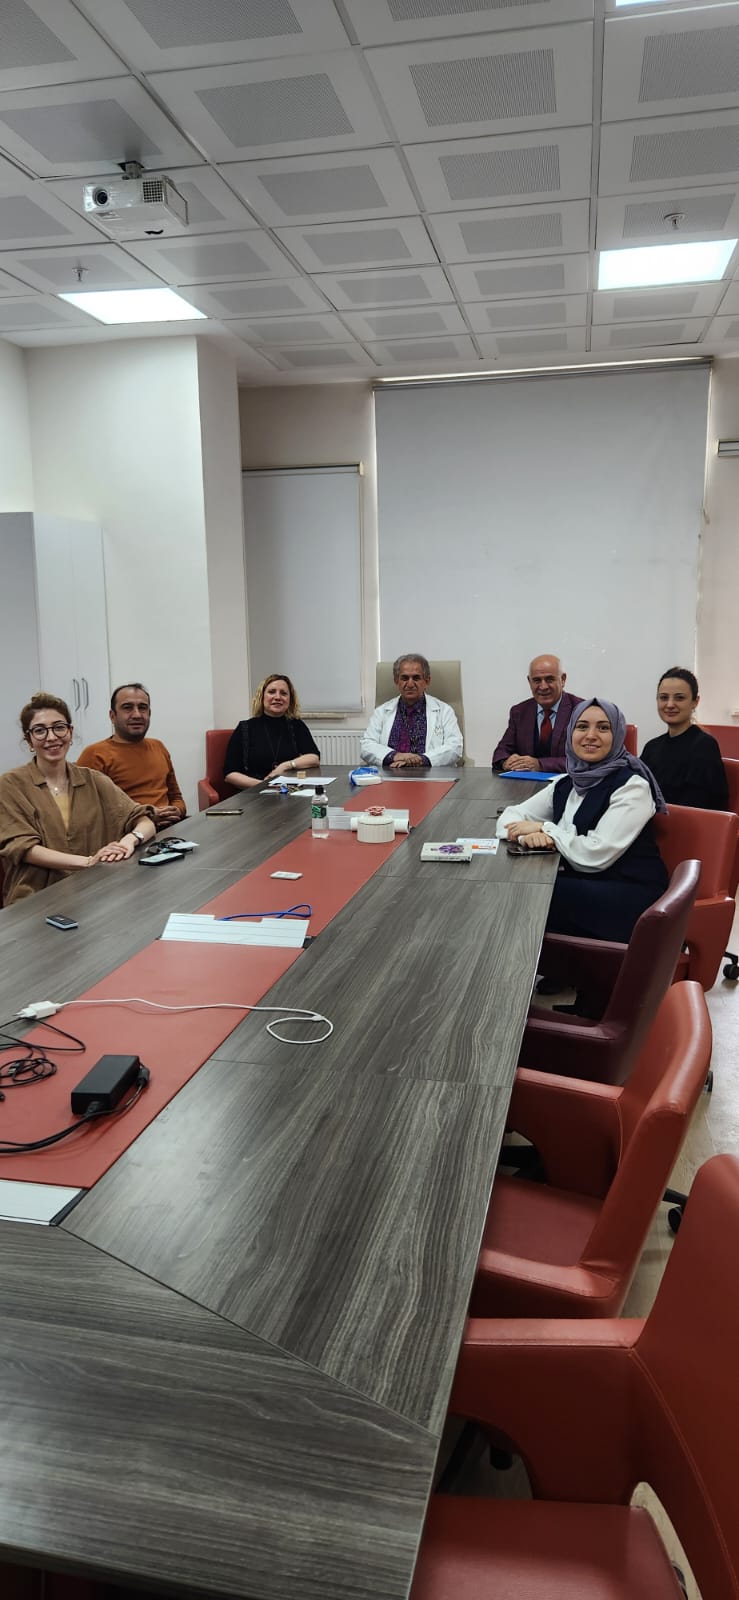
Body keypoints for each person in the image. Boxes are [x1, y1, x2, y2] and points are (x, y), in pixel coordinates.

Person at [496, 697, 668, 943]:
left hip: (630, 894)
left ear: (617, 735)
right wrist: (527, 836)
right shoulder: (567, 782)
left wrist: (546, 830)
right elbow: (511, 815)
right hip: (586, 881)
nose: (591, 735)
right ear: (571, 733)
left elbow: (595, 854)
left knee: (531, 892)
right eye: (582, 726)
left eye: (603, 728)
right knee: (521, 884)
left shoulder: (633, 787)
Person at [0, 692, 156, 905]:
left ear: (70, 732)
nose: (52, 737)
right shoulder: (10, 784)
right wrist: (89, 862)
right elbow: (24, 848)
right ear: (29, 740)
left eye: (59, 727)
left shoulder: (93, 779)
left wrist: (128, 842)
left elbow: (144, 820)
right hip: (35, 899)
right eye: (40, 730)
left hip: (94, 892)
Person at [78, 682, 186, 827]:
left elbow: (176, 798)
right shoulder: (94, 754)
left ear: (149, 713)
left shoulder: (158, 746)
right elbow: (87, 813)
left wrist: (177, 811)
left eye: (142, 708)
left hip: (170, 829)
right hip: (128, 835)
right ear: (112, 716)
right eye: (127, 708)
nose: (137, 715)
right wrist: (144, 817)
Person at [641, 667, 729, 811]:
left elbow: (697, 807)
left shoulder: (704, 746)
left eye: (679, 698)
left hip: (683, 823)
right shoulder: (651, 747)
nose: (670, 705)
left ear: (695, 701)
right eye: (663, 697)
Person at [360, 654, 463, 769]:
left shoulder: (444, 711)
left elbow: (455, 747)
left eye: (416, 678)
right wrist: (395, 756)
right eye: (404, 678)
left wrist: (421, 760)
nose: (410, 684)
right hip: (390, 774)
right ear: (396, 681)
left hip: (430, 774)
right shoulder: (381, 712)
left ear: (427, 681)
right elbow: (366, 745)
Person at [224, 674, 320, 789]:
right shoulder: (245, 728)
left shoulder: (296, 725)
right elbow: (230, 774)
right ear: (262, 697)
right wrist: (264, 785)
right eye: (271, 692)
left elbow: (314, 758)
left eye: (283, 693)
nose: (277, 697)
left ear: (290, 700)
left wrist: (286, 765)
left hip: (289, 790)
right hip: (254, 792)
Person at [492, 654, 582, 773]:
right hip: (525, 783)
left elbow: (582, 760)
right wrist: (506, 762)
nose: (543, 686)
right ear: (529, 682)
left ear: (563, 679)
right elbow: (501, 751)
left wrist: (540, 764)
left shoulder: (581, 710)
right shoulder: (519, 712)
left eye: (549, 679)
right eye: (537, 680)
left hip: (569, 782)